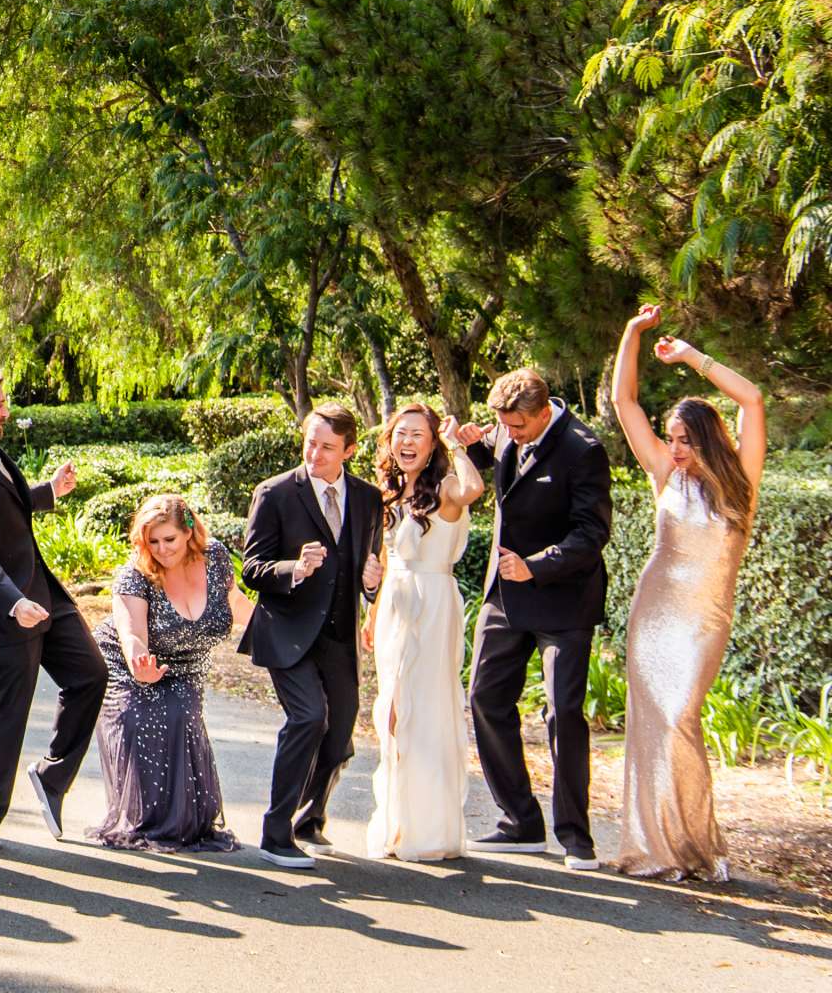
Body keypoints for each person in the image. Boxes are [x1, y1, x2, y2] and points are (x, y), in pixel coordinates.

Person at [609, 306, 766, 882]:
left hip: (704, 619)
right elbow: (625, 404)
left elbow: (751, 399)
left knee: (681, 717)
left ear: (707, 438)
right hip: (654, 612)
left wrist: (690, 358)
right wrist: (632, 334)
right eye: (670, 438)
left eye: (684, 439)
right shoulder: (664, 476)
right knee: (655, 722)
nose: (674, 448)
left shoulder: (740, 483)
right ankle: (658, 846)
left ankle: (694, 843)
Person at [0, 366, 103, 850]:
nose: (6, 410)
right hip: (4, 606)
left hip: (42, 593)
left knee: (90, 675)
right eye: (0, 404)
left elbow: (5, 503)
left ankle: (51, 776)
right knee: (10, 709)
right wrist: (13, 602)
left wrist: (49, 492)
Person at [457, 367, 613, 869]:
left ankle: (575, 834)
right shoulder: (508, 428)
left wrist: (537, 566)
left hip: (563, 599)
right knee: (483, 697)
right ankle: (519, 821)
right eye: (505, 426)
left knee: (563, 711)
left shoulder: (583, 450)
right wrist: (477, 450)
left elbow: (591, 533)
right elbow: (513, 485)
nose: (511, 433)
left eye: (518, 426)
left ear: (544, 413)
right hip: (504, 594)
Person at [238, 402, 385, 869]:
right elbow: (253, 568)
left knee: (339, 733)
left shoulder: (367, 498)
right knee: (308, 718)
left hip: (339, 636)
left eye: (327, 447)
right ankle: (275, 832)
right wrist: (295, 570)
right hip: (287, 631)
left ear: (349, 450)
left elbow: (367, 571)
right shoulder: (275, 493)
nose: (315, 454)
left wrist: (371, 581)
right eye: (310, 443)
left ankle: (309, 818)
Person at [88, 495, 250, 852]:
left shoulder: (216, 557)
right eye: (153, 542)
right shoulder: (135, 573)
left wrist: (274, 631)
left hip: (187, 662)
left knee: (182, 714)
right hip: (129, 662)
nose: (161, 549)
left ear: (189, 532)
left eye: (169, 540)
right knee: (140, 718)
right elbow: (131, 633)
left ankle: (186, 822)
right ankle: (145, 820)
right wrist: (139, 665)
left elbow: (234, 603)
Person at [363, 402, 483, 862]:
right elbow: (389, 557)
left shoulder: (448, 487)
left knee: (427, 713)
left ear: (432, 442)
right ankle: (397, 824)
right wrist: (372, 613)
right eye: (400, 434)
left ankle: (430, 829)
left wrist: (456, 442)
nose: (408, 442)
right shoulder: (389, 493)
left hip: (434, 605)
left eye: (418, 434)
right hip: (394, 605)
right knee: (391, 715)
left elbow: (474, 487)